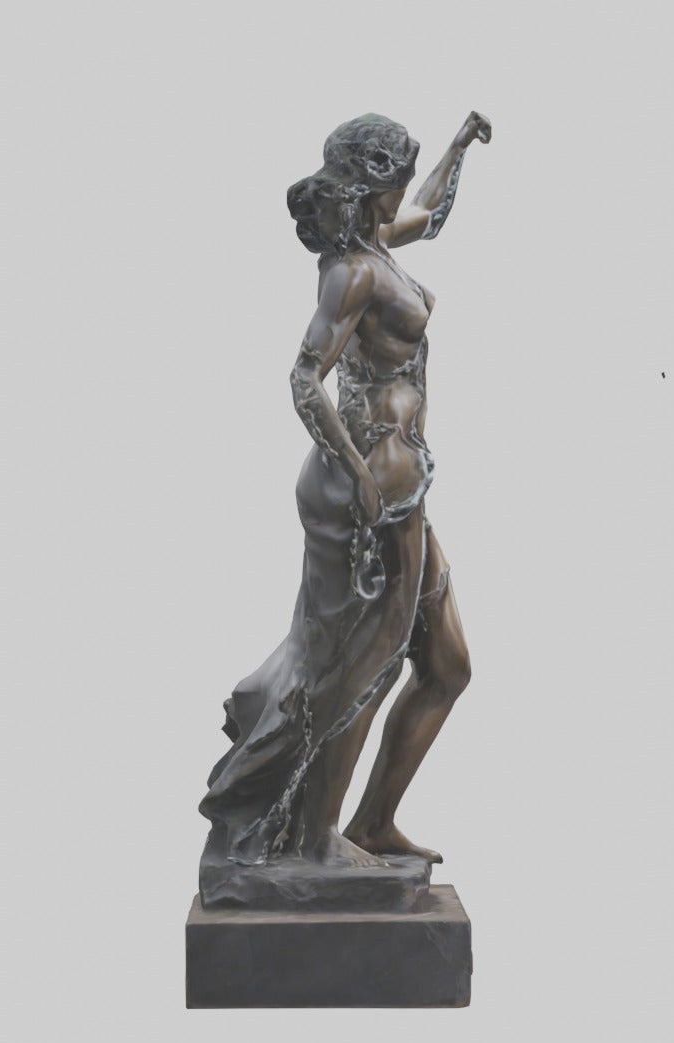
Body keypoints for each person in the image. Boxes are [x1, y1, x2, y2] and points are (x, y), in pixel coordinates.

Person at [199, 112, 492, 878]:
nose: (406, 192)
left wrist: (460, 147)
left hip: (403, 486)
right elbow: (304, 378)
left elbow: (431, 214)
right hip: (366, 495)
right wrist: (358, 473)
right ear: (370, 185)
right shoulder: (351, 272)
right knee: (364, 668)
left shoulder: (377, 245)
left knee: (447, 664)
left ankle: (374, 821)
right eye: (398, 178)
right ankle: (316, 841)